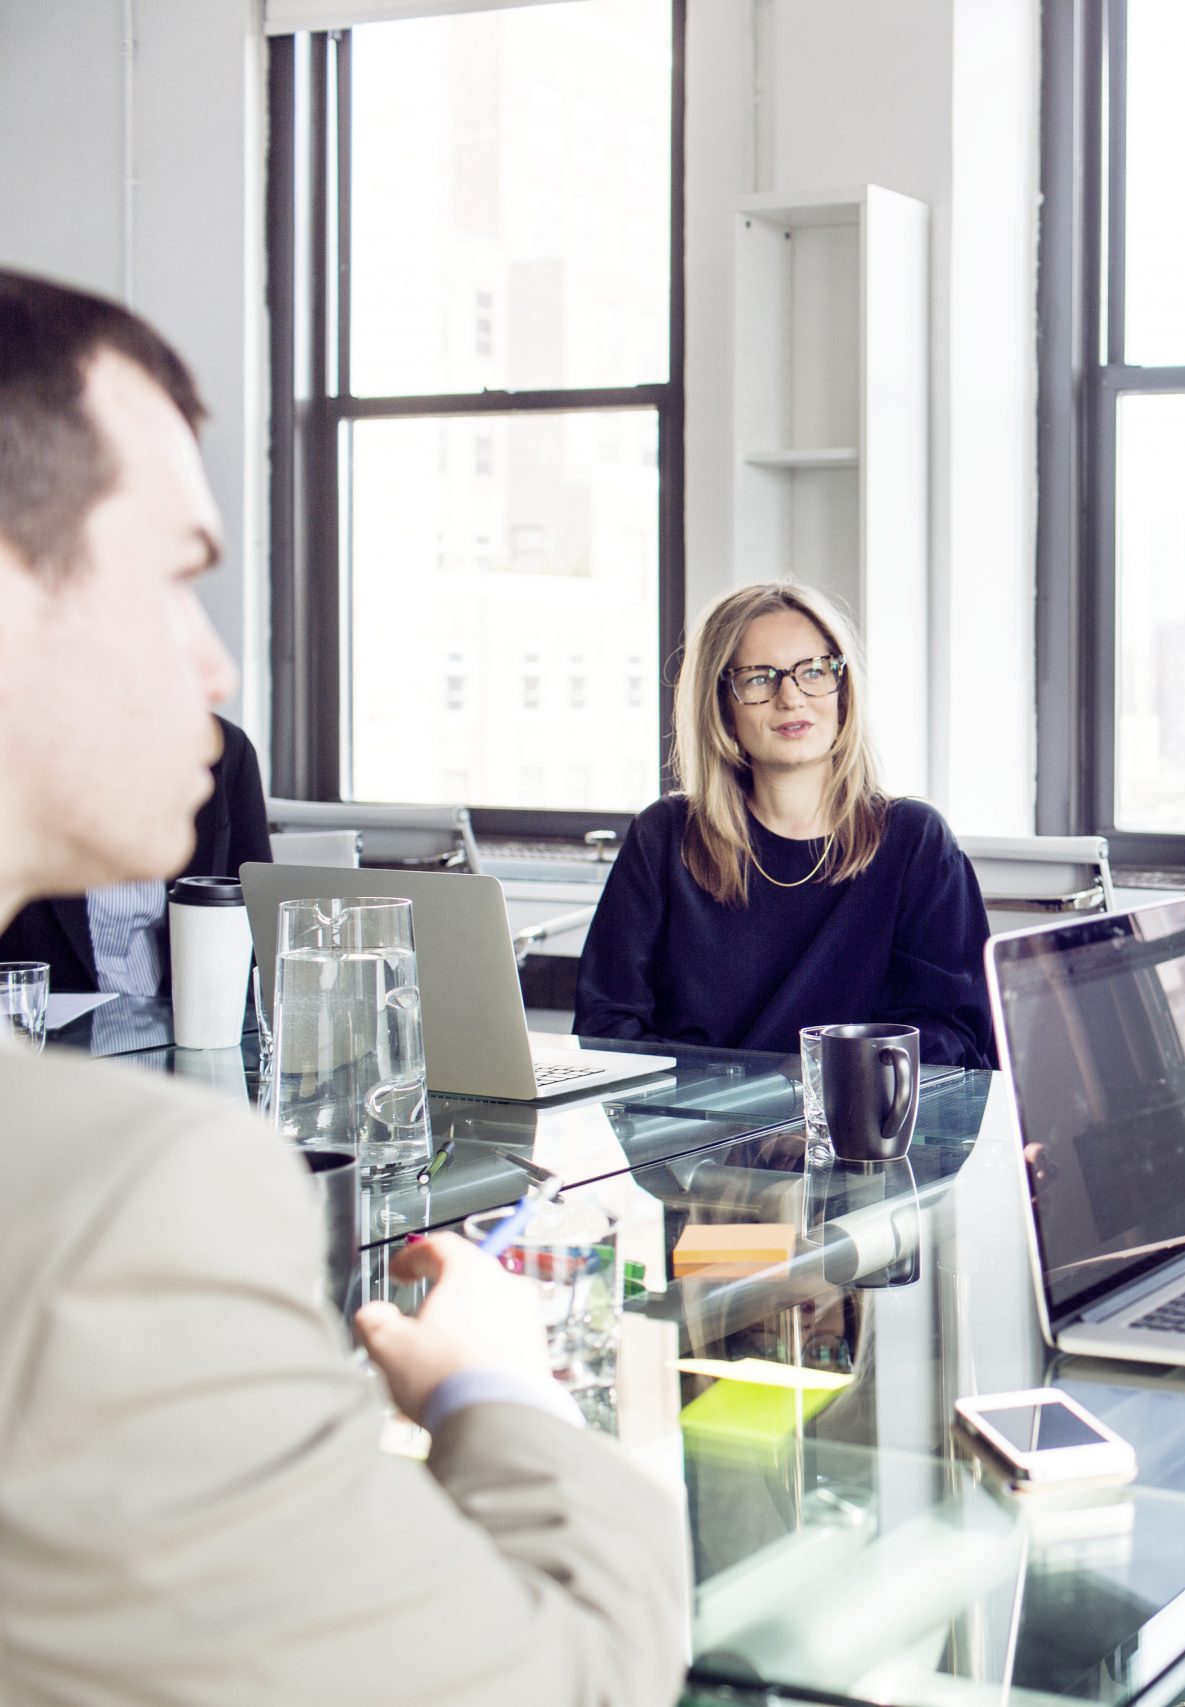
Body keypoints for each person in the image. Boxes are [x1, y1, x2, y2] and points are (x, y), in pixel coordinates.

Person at [0, 270, 686, 1700]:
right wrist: (494, 1384)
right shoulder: (120, 1202)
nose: (215, 659)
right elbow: (571, 1679)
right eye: (175, 575)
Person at [576, 580, 997, 1066]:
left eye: (813, 671)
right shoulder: (664, 836)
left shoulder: (914, 840)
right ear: (721, 704)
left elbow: (954, 1035)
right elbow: (606, 1028)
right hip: (691, 1114)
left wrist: (825, 1091)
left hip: (857, 1114)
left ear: (843, 690)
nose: (791, 697)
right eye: (759, 678)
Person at [0, 709, 270, 997]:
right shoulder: (19, 747)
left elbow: (260, 924)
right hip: (41, 1015)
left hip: (184, 1012)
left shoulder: (224, 747)